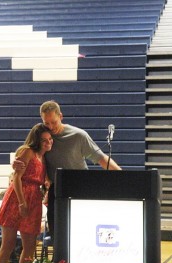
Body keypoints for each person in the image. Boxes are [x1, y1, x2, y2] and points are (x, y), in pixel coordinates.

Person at [13, 100, 122, 240]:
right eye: (47, 123)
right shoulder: (43, 138)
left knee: (81, 231)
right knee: (56, 233)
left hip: (81, 189)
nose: (51, 127)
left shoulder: (78, 136)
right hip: (57, 190)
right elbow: (29, 153)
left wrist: (121, 176)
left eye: (54, 122)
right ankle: (59, 261)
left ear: (61, 116)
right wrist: (16, 162)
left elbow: (101, 158)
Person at [0, 123, 53, 263]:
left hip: (34, 200)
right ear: (37, 140)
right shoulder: (28, 151)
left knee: (30, 246)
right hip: (17, 197)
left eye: (50, 139)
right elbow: (16, 178)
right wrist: (21, 202)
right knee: (8, 244)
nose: (48, 142)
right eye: (44, 140)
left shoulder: (44, 158)